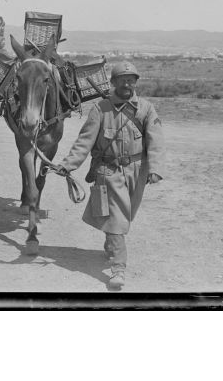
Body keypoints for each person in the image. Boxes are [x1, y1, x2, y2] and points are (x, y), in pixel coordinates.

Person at [57, 61, 165, 289]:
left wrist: (154, 169)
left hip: (137, 171)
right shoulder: (100, 109)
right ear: (113, 83)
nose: (127, 83)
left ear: (136, 82)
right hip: (108, 171)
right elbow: (84, 141)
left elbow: (156, 141)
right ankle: (118, 269)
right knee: (116, 219)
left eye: (131, 79)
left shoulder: (146, 109)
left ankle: (111, 242)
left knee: (124, 216)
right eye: (122, 79)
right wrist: (69, 164)